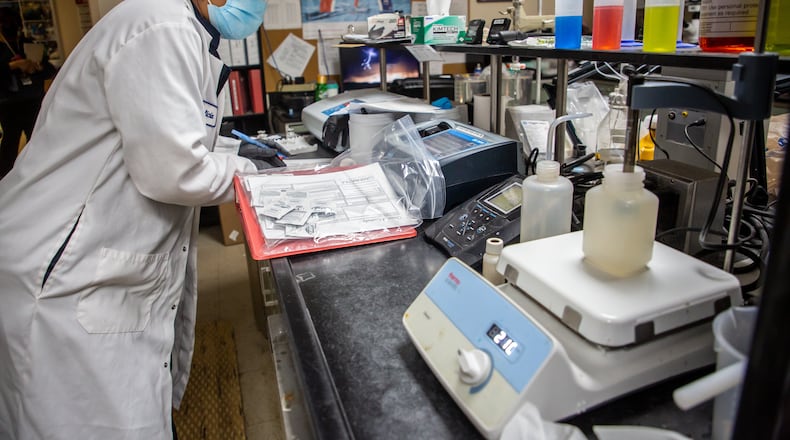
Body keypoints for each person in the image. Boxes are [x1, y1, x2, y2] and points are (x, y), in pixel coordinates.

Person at [0, 0, 272, 438]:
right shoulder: (162, 25)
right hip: (62, 272)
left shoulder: (187, 30)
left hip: (91, 261)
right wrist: (258, 176)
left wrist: (237, 153)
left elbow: (170, 132)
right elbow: (176, 170)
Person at [0, 7, 54, 179]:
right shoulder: (1, 49)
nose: (11, 27)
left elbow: (49, 70)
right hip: (10, 102)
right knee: (10, 145)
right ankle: (5, 181)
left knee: (37, 141)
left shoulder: (28, 43)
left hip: (32, 98)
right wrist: (14, 66)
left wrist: (38, 67)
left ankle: (40, 176)